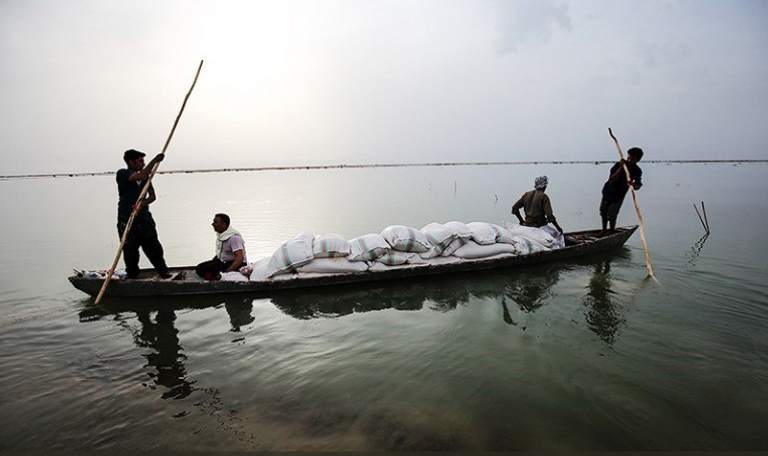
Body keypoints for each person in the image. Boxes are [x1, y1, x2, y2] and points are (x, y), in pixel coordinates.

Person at [116, 149, 172, 279]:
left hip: (144, 218)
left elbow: (152, 196)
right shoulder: (123, 173)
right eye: (140, 161)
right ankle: (132, 275)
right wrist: (155, 160)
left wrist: (143, 204)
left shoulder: (146, 178)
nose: (143, 164)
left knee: (154, 247)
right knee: (130, 250)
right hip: (127, 218)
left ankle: (163, 272)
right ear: (131, 162)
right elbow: (139, 176)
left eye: (144, 161)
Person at [598, 147, 644, 237]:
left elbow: (637, 186)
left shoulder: (637, 171)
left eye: (633, 159)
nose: (630, 160)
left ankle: (611, 231)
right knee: (603, 211)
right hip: (608, 191)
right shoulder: (618, 165)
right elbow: (612, 179)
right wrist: (621, 167)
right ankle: (604, 230)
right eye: (629, 157)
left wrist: (632, 184)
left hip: (619, 194)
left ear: (637, 160)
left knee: (612, 214)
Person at [196, 213, 248, 280]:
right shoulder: (221, 236)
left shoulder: (234, 238)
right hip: (223, 261)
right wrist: (212, 262)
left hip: (235, 264)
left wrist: (227, 272)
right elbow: (220, 253)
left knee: (207, 271)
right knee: (200, 268)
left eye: (215, 222)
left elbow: (240, 258)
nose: (213, 224)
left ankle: (216, 277)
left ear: (223, 225)